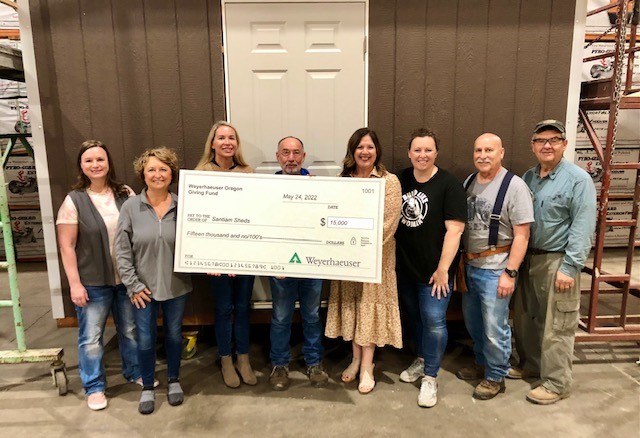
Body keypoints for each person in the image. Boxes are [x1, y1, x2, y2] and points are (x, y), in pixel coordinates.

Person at [513, 120, 596, 405]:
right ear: (533, 145)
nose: (547, 145)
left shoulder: (578, 180)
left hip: (557, 260)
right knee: (527, 320)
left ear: (564, 144)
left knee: (557, 325)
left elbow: (583, 227)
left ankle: (557, 382)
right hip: (529, 259)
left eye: (554, 139)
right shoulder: (528, 177)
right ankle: (531, 366)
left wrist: (570, 267)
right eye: (540, 140)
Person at [56, 140, 140, 411]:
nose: (95, 165)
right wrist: (75, 284)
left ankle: (134, 371)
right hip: (93, 282)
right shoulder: (74, 200)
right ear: (81, 165)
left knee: (130, 330)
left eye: (100, 159)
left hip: (125, 279)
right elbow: (66, 246)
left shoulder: (125, 193)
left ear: (109, 162)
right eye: (89, 160)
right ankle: (94, 386)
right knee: (91, 336)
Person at [455, 133, 533, 401]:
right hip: (470, 266)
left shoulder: (515, 186)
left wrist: (510, 273)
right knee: (475, 323)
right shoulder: (468, 183)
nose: (483, 155)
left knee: (494, 326)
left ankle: (496, 375)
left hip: (496, 269)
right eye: (478, 150)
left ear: (502, 152)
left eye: (489, 150)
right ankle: (481, 363)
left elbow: (522, 235)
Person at [325, 127, 402, 394]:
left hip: (375, 259)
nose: (365, 152)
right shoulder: (342, 180)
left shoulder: (389, 181)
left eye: (369, 147)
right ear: (352, 151)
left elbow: (389, 223)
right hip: (347, 259)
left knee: (369, 306)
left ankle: (368, 366)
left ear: (376, 150)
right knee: (353, 306)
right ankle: (355, 359)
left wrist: (361, 247)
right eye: (360, 147)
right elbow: (334, 216)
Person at [116, 147, 192, 415]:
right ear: (143, 174)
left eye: (163, 169)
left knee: (173, 335)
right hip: (142, 289)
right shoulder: (130, 207)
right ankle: (147, 385)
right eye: (151, 169)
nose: (157, 174)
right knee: (145, 339)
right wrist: (133, 285)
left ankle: (173, 381)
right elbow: (122, 251)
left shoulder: (184, 205)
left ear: (172, 173)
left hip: (177, 285)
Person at [394, 129, 467, 408]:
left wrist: (443, 269)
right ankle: (423, 359)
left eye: (428, 150)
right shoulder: (399, 179)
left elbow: (455, 231)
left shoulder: (449, 185)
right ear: (409, 153)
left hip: (435, 273)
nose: (422, 155)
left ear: (436, 152)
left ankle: (431, 378)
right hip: (405, 269)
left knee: (434, 322)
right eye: (417, 150)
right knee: (416, 318)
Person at [195, 121, 257, 388]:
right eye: (221, 138)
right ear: (212, 143)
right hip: (216, 257)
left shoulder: (248, 172)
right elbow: (198, 220)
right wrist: (208, 256)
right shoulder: (200, 174)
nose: (227, 142)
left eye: (232, 137)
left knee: (243, 308)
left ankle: (243, 358)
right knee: (223, 309)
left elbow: (255, 213)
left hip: (244, 253)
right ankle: (225, 359)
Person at [268, 136, 329, 391]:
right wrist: (274, 262)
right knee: (281, 317)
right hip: (281, 267)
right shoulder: (266, 188)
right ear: (278, 156)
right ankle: (280, 364)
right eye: (285, 153)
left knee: (312, 316)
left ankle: (314, 363)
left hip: (312, 264)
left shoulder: (317, 186)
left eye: (296, 153)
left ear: (303, 157)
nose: (291, 158)